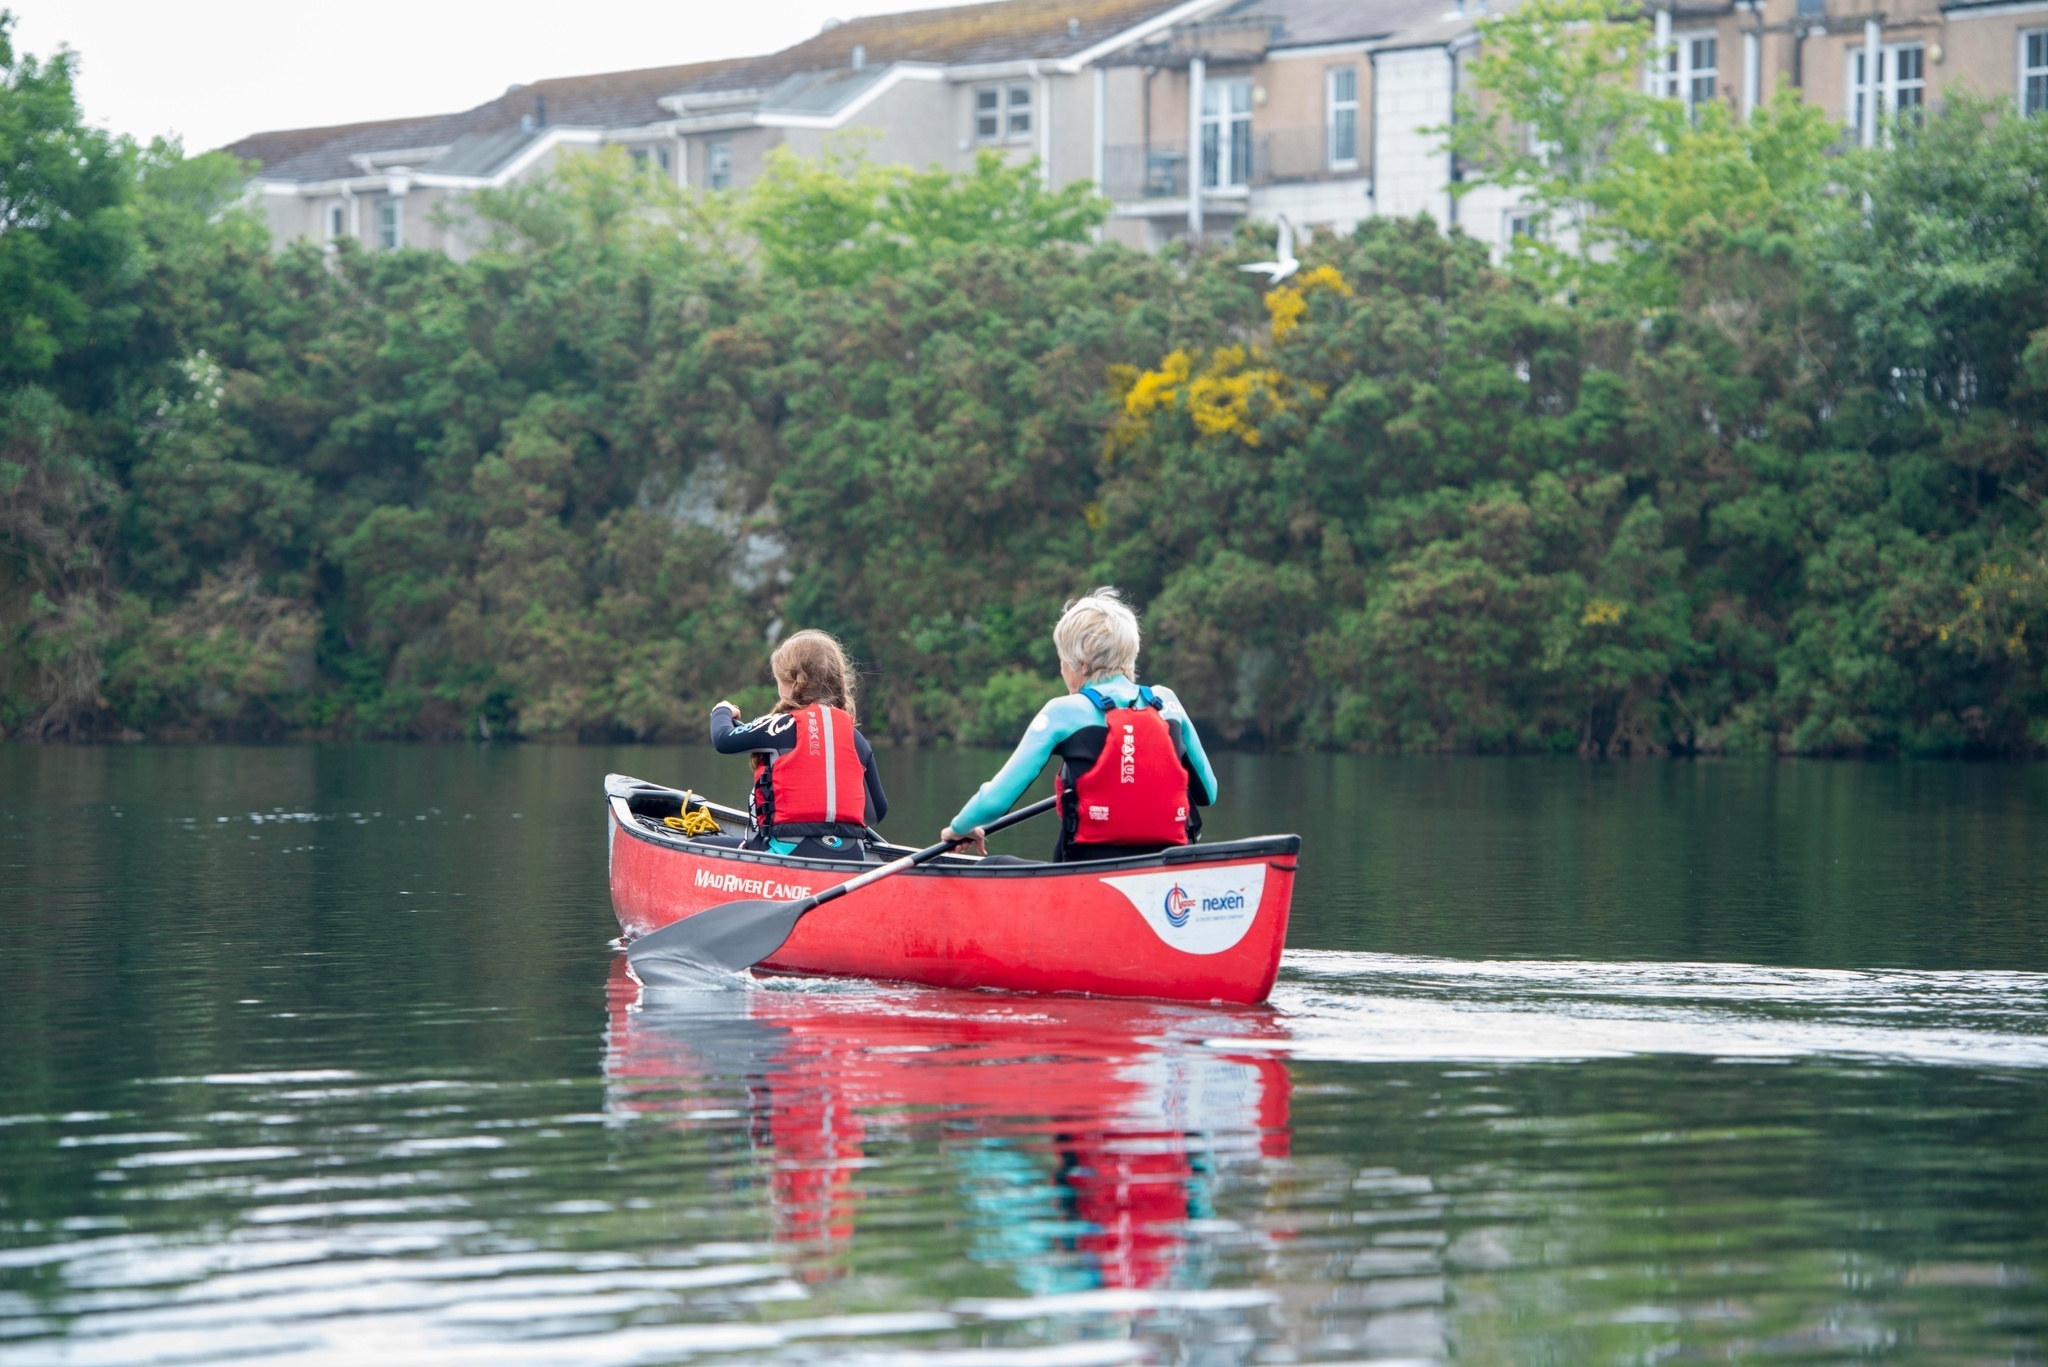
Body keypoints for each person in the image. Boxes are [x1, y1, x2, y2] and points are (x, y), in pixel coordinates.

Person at [942, 588, 1216, 862]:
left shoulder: (1063, 712)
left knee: (993, 865)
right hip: (1171, 868)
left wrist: (959, 829)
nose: (1062, 670)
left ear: (1081, 665)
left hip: (1086, 872)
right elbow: (1208, 793)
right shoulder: (1166, 701)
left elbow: (993, 802)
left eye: (1063, 661)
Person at [709, 629, 888, 863]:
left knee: (697, 845)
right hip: (851, 858)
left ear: (792, 682)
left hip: (790, 854)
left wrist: (721, 710)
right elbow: (876, 812)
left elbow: (723, 738)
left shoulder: (778, 726)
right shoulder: (856, 739)